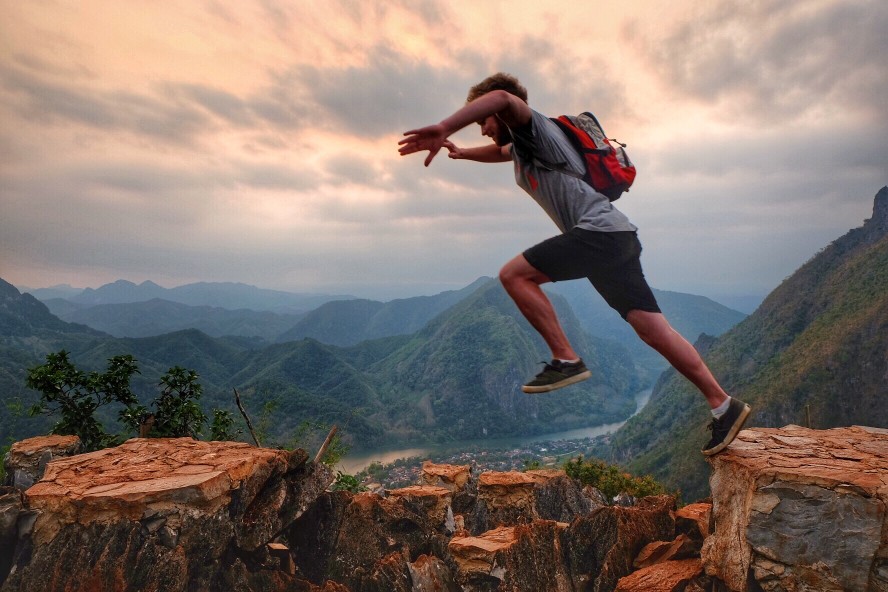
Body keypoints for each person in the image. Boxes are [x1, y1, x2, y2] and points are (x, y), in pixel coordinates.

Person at [398, 72, 750, 455]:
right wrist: (462, 153)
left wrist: (444, 125)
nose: (481, 129)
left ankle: (566, 357)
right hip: (617, 237)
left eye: (482, 119)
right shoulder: (522, 147)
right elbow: (501, 153)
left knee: (514, 275)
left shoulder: (535, 126)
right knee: (653, 330)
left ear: (504, 112)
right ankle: (724, 405)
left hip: (599, 233)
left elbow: (500, 96)